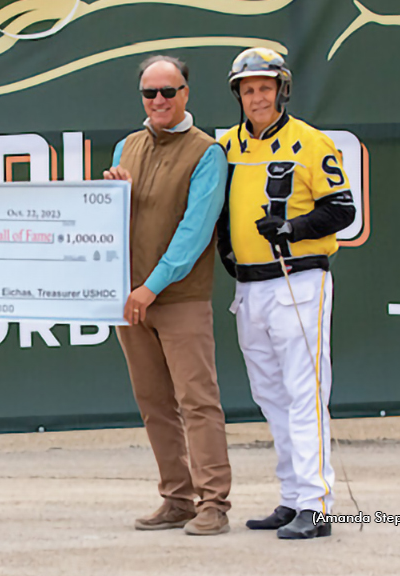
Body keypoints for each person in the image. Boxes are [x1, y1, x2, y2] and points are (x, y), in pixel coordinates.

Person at [217, 47, 356, 539]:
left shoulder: (310, 142)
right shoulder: (227, 145)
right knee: (269, 394)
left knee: (304, 392)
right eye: (249, 89)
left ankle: (317, 505)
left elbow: (343, 209)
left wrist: (292, 227)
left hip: (299, 279)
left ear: (282, 90)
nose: (257, 96)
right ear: (239, 94)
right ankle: (292, 496)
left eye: (265, 87)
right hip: (249, 287)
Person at [103, 55, 232, 536]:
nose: (158, 100)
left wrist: (150, 287)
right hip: (130, 300)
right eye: (149, 92)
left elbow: (195, 232)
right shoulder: (127, 147)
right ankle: (176, 498)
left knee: (198, 401)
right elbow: (112, 223)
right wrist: (112, 192)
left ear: (186, 94)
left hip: (178, 299)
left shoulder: (207, 153)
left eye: (168, 91)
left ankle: (214, 502)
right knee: (154, 402)